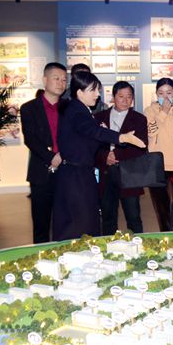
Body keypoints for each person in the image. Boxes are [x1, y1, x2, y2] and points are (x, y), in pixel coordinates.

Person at [52, 71, 145, 240]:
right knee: (78, 223)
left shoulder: (82, 110)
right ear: (80, 92)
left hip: (82, 173)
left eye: (98, 90)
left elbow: (92, 134)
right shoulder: (77, 111)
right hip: (75, 177)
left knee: (87, 221)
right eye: (93, 90)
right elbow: (93, 131)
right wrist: (122, 137)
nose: (97, 94)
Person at [21, 62, 68, 244]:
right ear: (45, 80)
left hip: (67, 170)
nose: (61, 83)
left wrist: (63, 155)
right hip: (41, 172)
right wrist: (51, 157)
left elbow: (75, 136)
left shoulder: (70, 107)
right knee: (41, 223)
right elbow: (30, 139)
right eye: (57, 78)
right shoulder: (29, 108)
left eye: (64, 79)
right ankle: (41, 255)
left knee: (65, 221)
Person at [94, 81, 148, 235]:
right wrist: (105, 156)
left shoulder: (139, 119)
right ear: (113, 97)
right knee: (108, 216)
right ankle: (108, 246)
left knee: (133, 216)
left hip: (129, 173)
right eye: (121, 96)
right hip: (105, 172)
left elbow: (141, 146)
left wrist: (115, 155)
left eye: (129, 96)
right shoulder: (99, 117)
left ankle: (137, 245)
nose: (125, 100)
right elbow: (92, 146)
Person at [146, 77, 173, 231]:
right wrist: (164, 112)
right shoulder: (149, 111)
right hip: (157, 165)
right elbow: (151, 131)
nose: (165, 97)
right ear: (156, 94)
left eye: (169, 92)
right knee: (161, 206)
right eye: (161, 93)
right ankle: (166, 234)